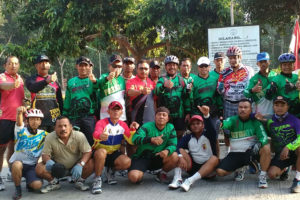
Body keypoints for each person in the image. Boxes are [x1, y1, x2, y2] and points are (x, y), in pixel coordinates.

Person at [216, 99, 271, 188]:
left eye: (246, 107)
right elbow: (226, 123)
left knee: (266, 147)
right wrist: (221, 123)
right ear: (237, 109)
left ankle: (262, 177)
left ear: (250, 110)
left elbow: (264, 137)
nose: (243, 109)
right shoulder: (233, 119)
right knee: (220, 172)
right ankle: (240, 168)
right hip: (235, 153)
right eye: (240, 107)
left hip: (251, 151)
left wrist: (260, 143)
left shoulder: (255, 122)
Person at [35, 116, 94, 193]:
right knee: (39, 168)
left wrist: (80, 164)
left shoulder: (79, 135)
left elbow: (88, 152)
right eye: (59, 126)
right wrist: (49, 162)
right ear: (55, 128)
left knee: (92, 162)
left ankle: (79, 181)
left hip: (76, 166)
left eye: (65, 126)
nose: (63, 129)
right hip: (58, 168)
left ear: (71, 127)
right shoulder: (49, 137)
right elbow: (45, 154)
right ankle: (54, 183)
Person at [91, 101, 138, 194]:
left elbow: (131, 141)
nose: (116, 112)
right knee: (102, 152)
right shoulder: (102, 122)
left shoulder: (123, 125)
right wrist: (100, 136)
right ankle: (97, 179)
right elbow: (95, 134)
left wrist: (133, 130)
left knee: (127, 162)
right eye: (113, 109)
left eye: (118, 109)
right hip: (99, 153)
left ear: (121, 112)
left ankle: (110, 171)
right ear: (108, 111)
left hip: (113, 153)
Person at [169, 106, 219, 192]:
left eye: (198, 123)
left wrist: (206, 115)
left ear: (203, 125)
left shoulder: (208, 134)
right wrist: (180, 156)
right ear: (190, 126)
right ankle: (178, 179)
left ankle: (189, 181)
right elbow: (177, 146)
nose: (195, 126)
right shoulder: (188, 137)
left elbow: (211, 129)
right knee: (179, 151)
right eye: (193, 124)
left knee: (215, 159)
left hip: (207, 166)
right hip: (193, 166)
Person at [256, 96, 300, 193]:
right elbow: (267, 134)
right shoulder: (269, 121)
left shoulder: (295, 120)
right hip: (281, 154)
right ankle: (285, 169)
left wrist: (288, 147)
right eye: (276, 105)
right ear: (273, 107)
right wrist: (260, 120)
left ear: (287, 106)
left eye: (282, 105)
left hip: (295, 151)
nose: (279, 107)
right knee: (271, 174)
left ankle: (297, 180)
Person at [128, 107, 178, 184]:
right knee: (134, 178)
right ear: (155, 117)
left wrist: (167, 150)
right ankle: (140, 172)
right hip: (143, 157)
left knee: (174, 156)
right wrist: (151, 139)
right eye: (159, 114)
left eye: (164, 115)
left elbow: (173, 144)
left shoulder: (170, 127)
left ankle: (161, 174)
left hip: (158, 156)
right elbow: (135, 139)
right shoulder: (147, 126)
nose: (161, 117)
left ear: (168, 119)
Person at [9, 107, 47, 200]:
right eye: (32, 119)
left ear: (40, 122)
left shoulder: (44, 134)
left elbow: (56, 137)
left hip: (32, 166)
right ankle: (18, 190)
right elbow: (19, 123)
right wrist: (19, 113)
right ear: (28, 120)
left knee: (37, 185)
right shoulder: (21, 131)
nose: (35, 121)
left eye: (37, 119)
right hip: (17, 164)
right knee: (17, 165)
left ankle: (29, 182)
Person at [0, 56, 24, 191]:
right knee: (1, 149)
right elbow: (3, 86)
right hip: (5, 119)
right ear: (5, 65)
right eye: (10, 63)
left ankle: (10, 171)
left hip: (19, 118)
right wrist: (12, 85)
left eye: (15, 63)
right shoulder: (2, 77)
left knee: (14, 147)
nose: (13, 66)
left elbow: (21, 97)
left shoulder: (20, 78)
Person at [63, 56, 98, 145]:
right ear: (77, 66)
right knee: (73, 142)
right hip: (74, 117)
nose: (83, 68)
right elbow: (67, 100)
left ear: (90, 67)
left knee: (90, 141)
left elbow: (98, 96)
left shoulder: (94, 81)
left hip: (89, 117)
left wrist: (94, 82)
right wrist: (64, 116)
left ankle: (90, 158)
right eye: (81, 65)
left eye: (86, 65)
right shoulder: (71, 82)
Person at [191, 56, 222, 156]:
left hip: (213, 113)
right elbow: (190, 98)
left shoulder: (215, 79)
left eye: (206, 66)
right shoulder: (193, 80)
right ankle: (202, 159)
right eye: (201, 66)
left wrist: (221, 112)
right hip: (199, 113)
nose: (203, 68)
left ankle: (216, 158)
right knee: (201, 137)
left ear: (209, 67)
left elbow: (218, 97)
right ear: (198, 67)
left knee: (214, 136)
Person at [154, 55, 191, 139]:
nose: (172, 67)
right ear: (166, 67)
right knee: (166, 137)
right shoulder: (162, 79)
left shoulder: (181, 80)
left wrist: (188, 113)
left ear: (177, 67)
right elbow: (156, 91)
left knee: (179, 137)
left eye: (174, 65)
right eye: (169, 65)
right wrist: (164, 86)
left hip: (179, 116)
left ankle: (178, 152)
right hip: (165, 116)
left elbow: (186, 98)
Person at [25, 55, 63, 132]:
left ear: (49, 65)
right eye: (41, 62)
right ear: (36, 66)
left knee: (54, 143)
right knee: (40, 143)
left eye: (46, 62)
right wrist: (47, 81)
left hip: (54, 120)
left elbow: (60, 101)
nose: (44, 65)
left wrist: (62, 117)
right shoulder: (31, 79)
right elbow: (33, 88)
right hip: (37, 120)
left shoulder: (55, 81)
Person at [217, 46, 254, 119]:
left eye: (235, 58)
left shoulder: (249, 71)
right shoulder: (224, 72)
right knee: (229, 128)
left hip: (243, 104)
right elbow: (219, 91)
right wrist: (220, 88)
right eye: (230, 58)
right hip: (228, 104)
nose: (232, 60)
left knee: (243, 126)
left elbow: (252, 86)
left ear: (240, 57)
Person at [265, 53, 300, 117]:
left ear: (293, 66)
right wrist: (270, 91)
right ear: (281, 66)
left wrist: (294, 86)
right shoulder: (277, 79)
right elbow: (268, 96)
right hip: (285, 114)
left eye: (290, 64)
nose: (287, 67)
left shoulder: (297, 77)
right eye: (284, 65)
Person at [244, 52, 277, 119]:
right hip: (260, 111)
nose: (263, 64)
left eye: (265, 61)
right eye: (261, 62)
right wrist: (252, 90)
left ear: (269, 62)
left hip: (275, 109)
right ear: (257, 64)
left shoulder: (275, 75)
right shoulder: (254, 79)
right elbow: (245, 93)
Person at [126, 59, 156, 125]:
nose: (143, 71)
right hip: (137, 118)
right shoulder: (131, 81)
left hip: (151, 118)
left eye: (146, 69)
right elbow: (129, 92)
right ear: (137, 69)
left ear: (149, 70)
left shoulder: (151, 82)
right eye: (141, 68)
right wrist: (141, 91)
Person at [98, 55, 126, 121]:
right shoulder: (103, 77)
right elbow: (98, 85)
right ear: (109, 66)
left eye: (119, 66)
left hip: (121, 117)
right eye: (114, 66)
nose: (117, 68)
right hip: (106, 116)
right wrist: (107, 79)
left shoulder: (122, 80)